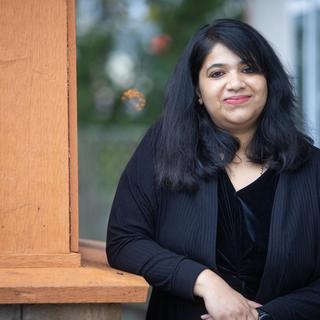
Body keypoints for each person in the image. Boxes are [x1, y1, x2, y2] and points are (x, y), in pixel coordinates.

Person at [106, 19, 320, 320]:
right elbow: (125, 240)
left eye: (248, 69)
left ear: (269, 80)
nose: (235, 82)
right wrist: (205, 282)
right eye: (217, 73)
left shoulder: (312, 168)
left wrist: (263, 316)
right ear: (198, 90)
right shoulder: (163, 148)